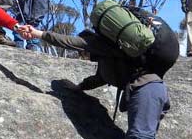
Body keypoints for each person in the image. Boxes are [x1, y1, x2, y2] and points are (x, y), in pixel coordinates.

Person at [17, 25, 172, 138]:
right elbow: (100, 78)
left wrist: (37, 33)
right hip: (152, 93)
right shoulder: (109, 57)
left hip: (147, 92)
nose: (82, 53)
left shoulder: (98, 44)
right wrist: (79, 87)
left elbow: (67, 41)